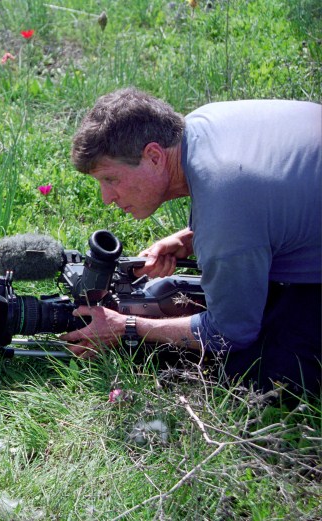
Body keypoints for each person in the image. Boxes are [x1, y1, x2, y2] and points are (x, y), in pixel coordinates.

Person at [60, 87, 321, 397]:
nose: (106, 198)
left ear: (154, 156)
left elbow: (231, 332)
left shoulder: (224, 203)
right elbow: (269, 198)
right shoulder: (202, 124)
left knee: (254, 371)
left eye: (111, 179)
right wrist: (192, 237)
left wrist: (128, 327)